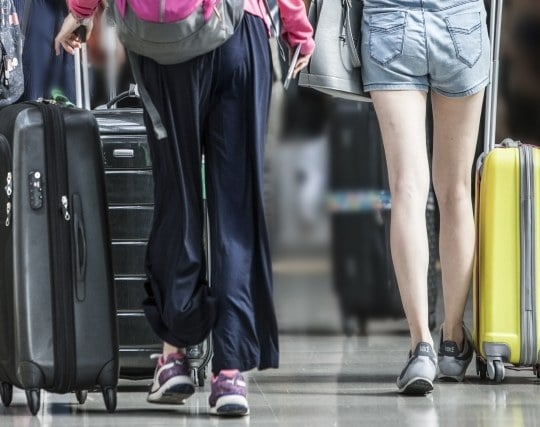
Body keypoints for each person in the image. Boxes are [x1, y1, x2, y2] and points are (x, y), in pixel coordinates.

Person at [55, 0, 314, 417]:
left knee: (176, 197)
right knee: (236, 208)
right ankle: (229, 373)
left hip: (161, 45)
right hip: (237, 31)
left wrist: (81, 11)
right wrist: (296, 25)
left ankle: (173, 357)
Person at [360, 0, 490, 394]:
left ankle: (421, 346)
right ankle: (453, 340)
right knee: (455, 191)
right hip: (460, 19)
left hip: (389, 20)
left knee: (408, 190)